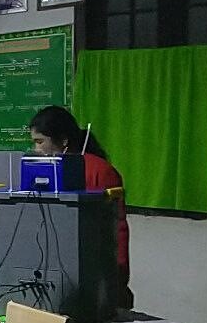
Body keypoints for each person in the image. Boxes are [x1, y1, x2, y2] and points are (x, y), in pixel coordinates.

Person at [28, 105, 132, 308]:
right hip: (57, 275)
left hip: (95, 276)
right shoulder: (44, 172)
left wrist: (116, 278)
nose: (36, 150)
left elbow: (117, 228)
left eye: (40, 142)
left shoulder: (100, 171)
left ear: (63, 141)